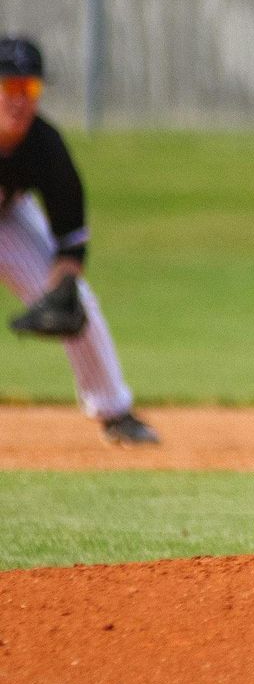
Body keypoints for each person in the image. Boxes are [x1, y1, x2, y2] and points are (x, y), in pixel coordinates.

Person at [0, 37, 159, 446]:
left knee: (78, 300)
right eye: (9, 87)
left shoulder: (45, 146)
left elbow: (71, 243)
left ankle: (114, 411)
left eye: (30, 88)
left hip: (7, 219)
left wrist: (60, 289)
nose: (20, 99)